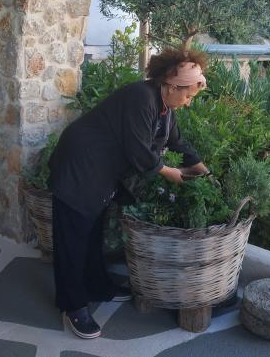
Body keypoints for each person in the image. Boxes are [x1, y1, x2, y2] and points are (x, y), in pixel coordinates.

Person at [49, 47, 210, 339]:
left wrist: (202, 169)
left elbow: (176, 141)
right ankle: (72, 305)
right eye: (187, 96)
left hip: (101, 169)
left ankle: (97, 285)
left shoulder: (165, 107)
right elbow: (139, 150)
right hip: (79, 164)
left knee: (93, 230)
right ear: (172, 86)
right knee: (73, 236)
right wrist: (169, 172)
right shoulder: (141, 97)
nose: (188, 103)